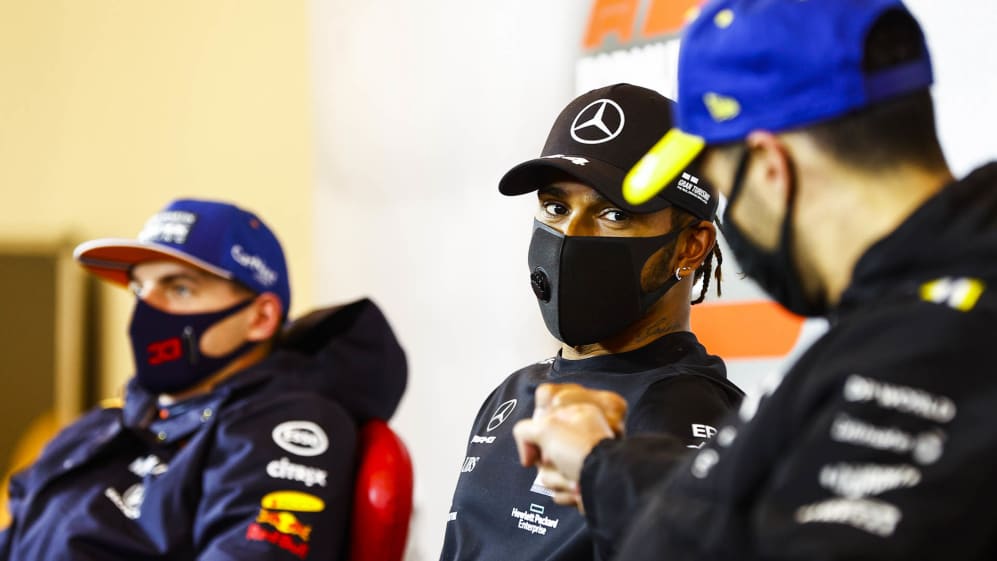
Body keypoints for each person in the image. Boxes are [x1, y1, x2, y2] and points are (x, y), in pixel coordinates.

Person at [514, 0, 997, 559]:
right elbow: (764, 520)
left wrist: (604, 469)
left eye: (726, 187)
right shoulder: (900, 319)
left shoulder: (930, 346)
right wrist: (603, 467)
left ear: (770, 169)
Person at [0, 198, 407, 560]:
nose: (146, 309)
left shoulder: (284, 429)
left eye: (179, 289)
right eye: (140, 289)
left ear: (261, 317)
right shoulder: (103, 426)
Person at [439, 83, 744, 561]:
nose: (570, 236)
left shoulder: (696, 421)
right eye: (556, 207)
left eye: (614, 214)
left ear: (691, 247)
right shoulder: (511, 394)